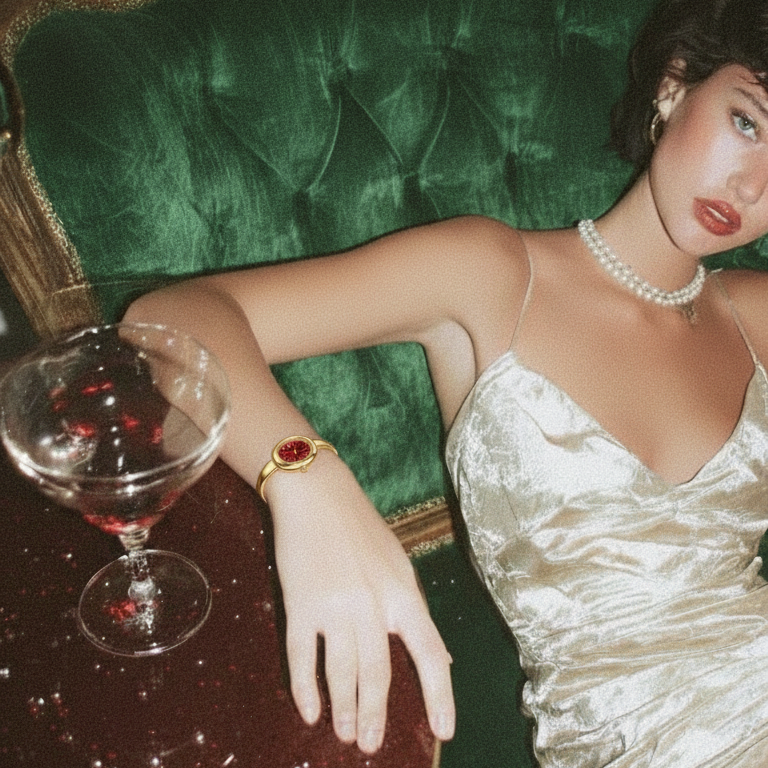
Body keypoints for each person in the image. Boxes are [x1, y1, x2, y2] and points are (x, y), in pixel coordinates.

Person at [124, 0, 768, 763]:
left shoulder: (754, 315)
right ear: (675, 86)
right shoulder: (491, 271)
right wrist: (304, 475)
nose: (752, 185)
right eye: (749, 124)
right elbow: (170, 320)